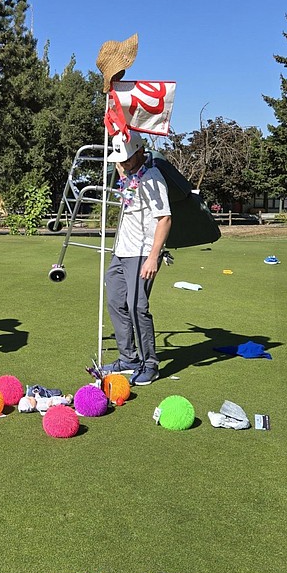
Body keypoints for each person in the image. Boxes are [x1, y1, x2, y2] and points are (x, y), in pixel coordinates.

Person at [103, 129, 171, 385]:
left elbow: (164, 218)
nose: (123, 164)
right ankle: (128, 358)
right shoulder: (128, 174)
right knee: (115, 302)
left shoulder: (152, 178)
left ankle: (150, 363)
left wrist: (154, 257)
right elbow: (122, 166)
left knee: (137, 307)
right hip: (121, 252)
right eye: (120, 160)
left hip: (142, 253)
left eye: (127, 159)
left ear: (141, 153)